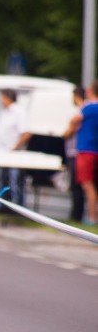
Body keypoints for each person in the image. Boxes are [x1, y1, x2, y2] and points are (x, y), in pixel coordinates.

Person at [64, 81, 98, 225]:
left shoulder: (89, 107)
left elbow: (75, 120)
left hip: (85, 149)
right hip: (95, 148)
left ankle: (91, 217)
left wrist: (66, 133)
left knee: (87, 185)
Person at [0, 88, 30, 206]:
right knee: (3, 181)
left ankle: (17, 206)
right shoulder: (4, 112)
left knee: (14, 182)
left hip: (14, 154)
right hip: (3, 154)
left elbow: (25, 134)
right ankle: (3, 205)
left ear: (7, 98)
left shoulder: (19, 112)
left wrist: (14, 148)